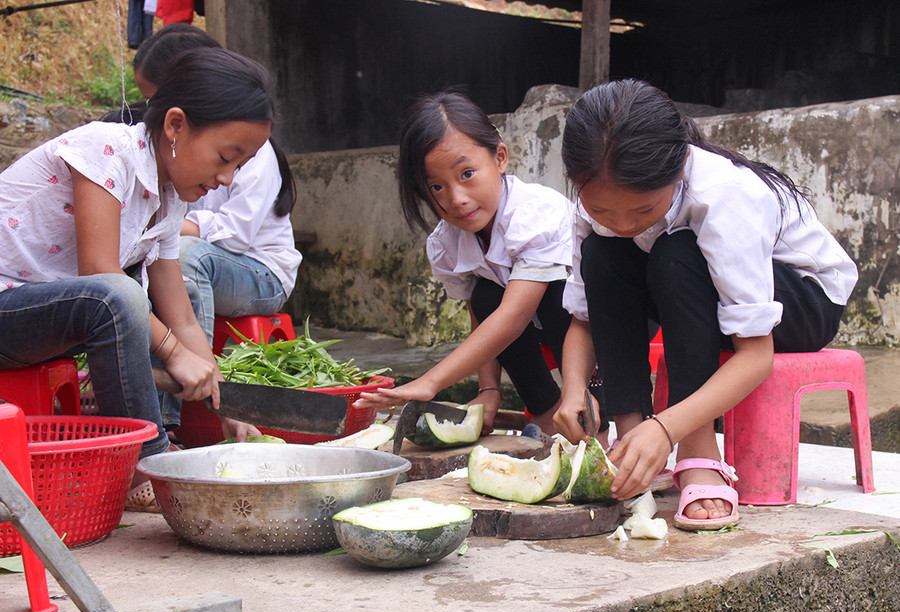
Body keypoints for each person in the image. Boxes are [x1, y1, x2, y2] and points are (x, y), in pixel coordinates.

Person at [554, 79, 858, 530]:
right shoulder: (595, 204)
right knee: (605, 253)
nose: (620, 223)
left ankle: (698, 451)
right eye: (602, 211)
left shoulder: (724, 196)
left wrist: (669, 427)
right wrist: (574, 387)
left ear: (677, 172)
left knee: (678, 253)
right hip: (694, 294)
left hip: (802, 302)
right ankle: (630, 437)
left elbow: (757, 355)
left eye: (641, 211)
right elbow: (584, 318)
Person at [0, 48, 274, 471]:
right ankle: (145, 462)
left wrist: (228, 403)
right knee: (119, 296)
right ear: (176, 125)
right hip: (8, 308)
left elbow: (181, 318)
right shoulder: (107, 149)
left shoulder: (168, 202)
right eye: (225, 158)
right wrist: (173, 353)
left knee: (144, 300)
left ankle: (148, 441)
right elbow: (100, 273)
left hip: (37, 316)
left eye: (240, 165)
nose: (227, 178)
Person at [354, 90, 574, 436]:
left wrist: (431, 381)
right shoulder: (447, 242)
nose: (456, 199)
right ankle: (545, 411)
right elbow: (482, 314)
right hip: (535, 327)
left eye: (467, 173)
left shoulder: (536, 214)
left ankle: (593, 404)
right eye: (436, 187)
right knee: (487, 295)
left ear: (500, 158)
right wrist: (489, 389)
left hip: (599, 326)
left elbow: (513, 317)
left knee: (555, 295)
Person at [122, 24, 302, 433]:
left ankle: (168, 422)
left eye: (155, 94)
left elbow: (234, 236)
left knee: (183, 257)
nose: (226, 176)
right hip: (211, 262)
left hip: (259, 274)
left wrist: (174, 228)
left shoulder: (249, 152)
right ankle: (160, 423)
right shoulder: (141, 168)